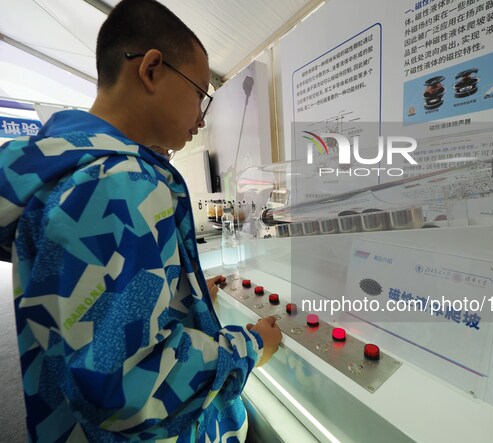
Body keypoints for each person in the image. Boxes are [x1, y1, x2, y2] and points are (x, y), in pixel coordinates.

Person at [0, 0, 282, 441]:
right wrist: (249, 346)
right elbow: (125, 386)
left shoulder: (61, 167)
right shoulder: (121, 183)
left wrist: (177, 297)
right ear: (151, 69)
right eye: (199, 93)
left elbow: (88, 309)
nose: (200, 118)